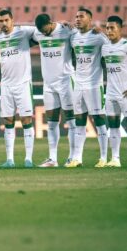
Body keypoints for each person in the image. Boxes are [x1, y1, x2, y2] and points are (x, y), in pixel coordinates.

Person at [0, 9, 36, 168]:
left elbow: (42, 30)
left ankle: (28, 159)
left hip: (23, 83)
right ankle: (9, 159)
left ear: (12, 20)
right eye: (1, 21)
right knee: (8, 120)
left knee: (26, 120)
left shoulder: (24, 31)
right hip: (6, 84)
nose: (3, 24)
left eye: (6, 20)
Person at [66, 8, 109, 168]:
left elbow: (112, 47)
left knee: (98, 119)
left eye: (81, 16)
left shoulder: (98, 37)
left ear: (90, 20)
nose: (77, 19)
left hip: (94, 85)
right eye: (76, 16)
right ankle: (77, 158)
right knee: (79, 121)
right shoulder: (73, 37)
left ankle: (104, 157)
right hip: (78, 84)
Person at [33, 14, 77, 167]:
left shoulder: (66, 30)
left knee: (72, 121)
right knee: (51, 123)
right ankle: (53, 159)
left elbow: (82, 34)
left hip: (66, 81)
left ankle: (73, 157)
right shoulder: (37, 33)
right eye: (41, 31)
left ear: (51, 23)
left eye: (45, 30)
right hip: (49, 84)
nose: (43, 33)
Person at [101, 15, 126, 167]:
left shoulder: (125, 45)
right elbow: (104, 65)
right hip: (110, 92)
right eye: (107, 28)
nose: (109, 31)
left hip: (125, 92)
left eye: (112, 28)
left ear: (120, 29)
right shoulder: (105, 48)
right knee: (113, 125)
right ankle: (115, 158)